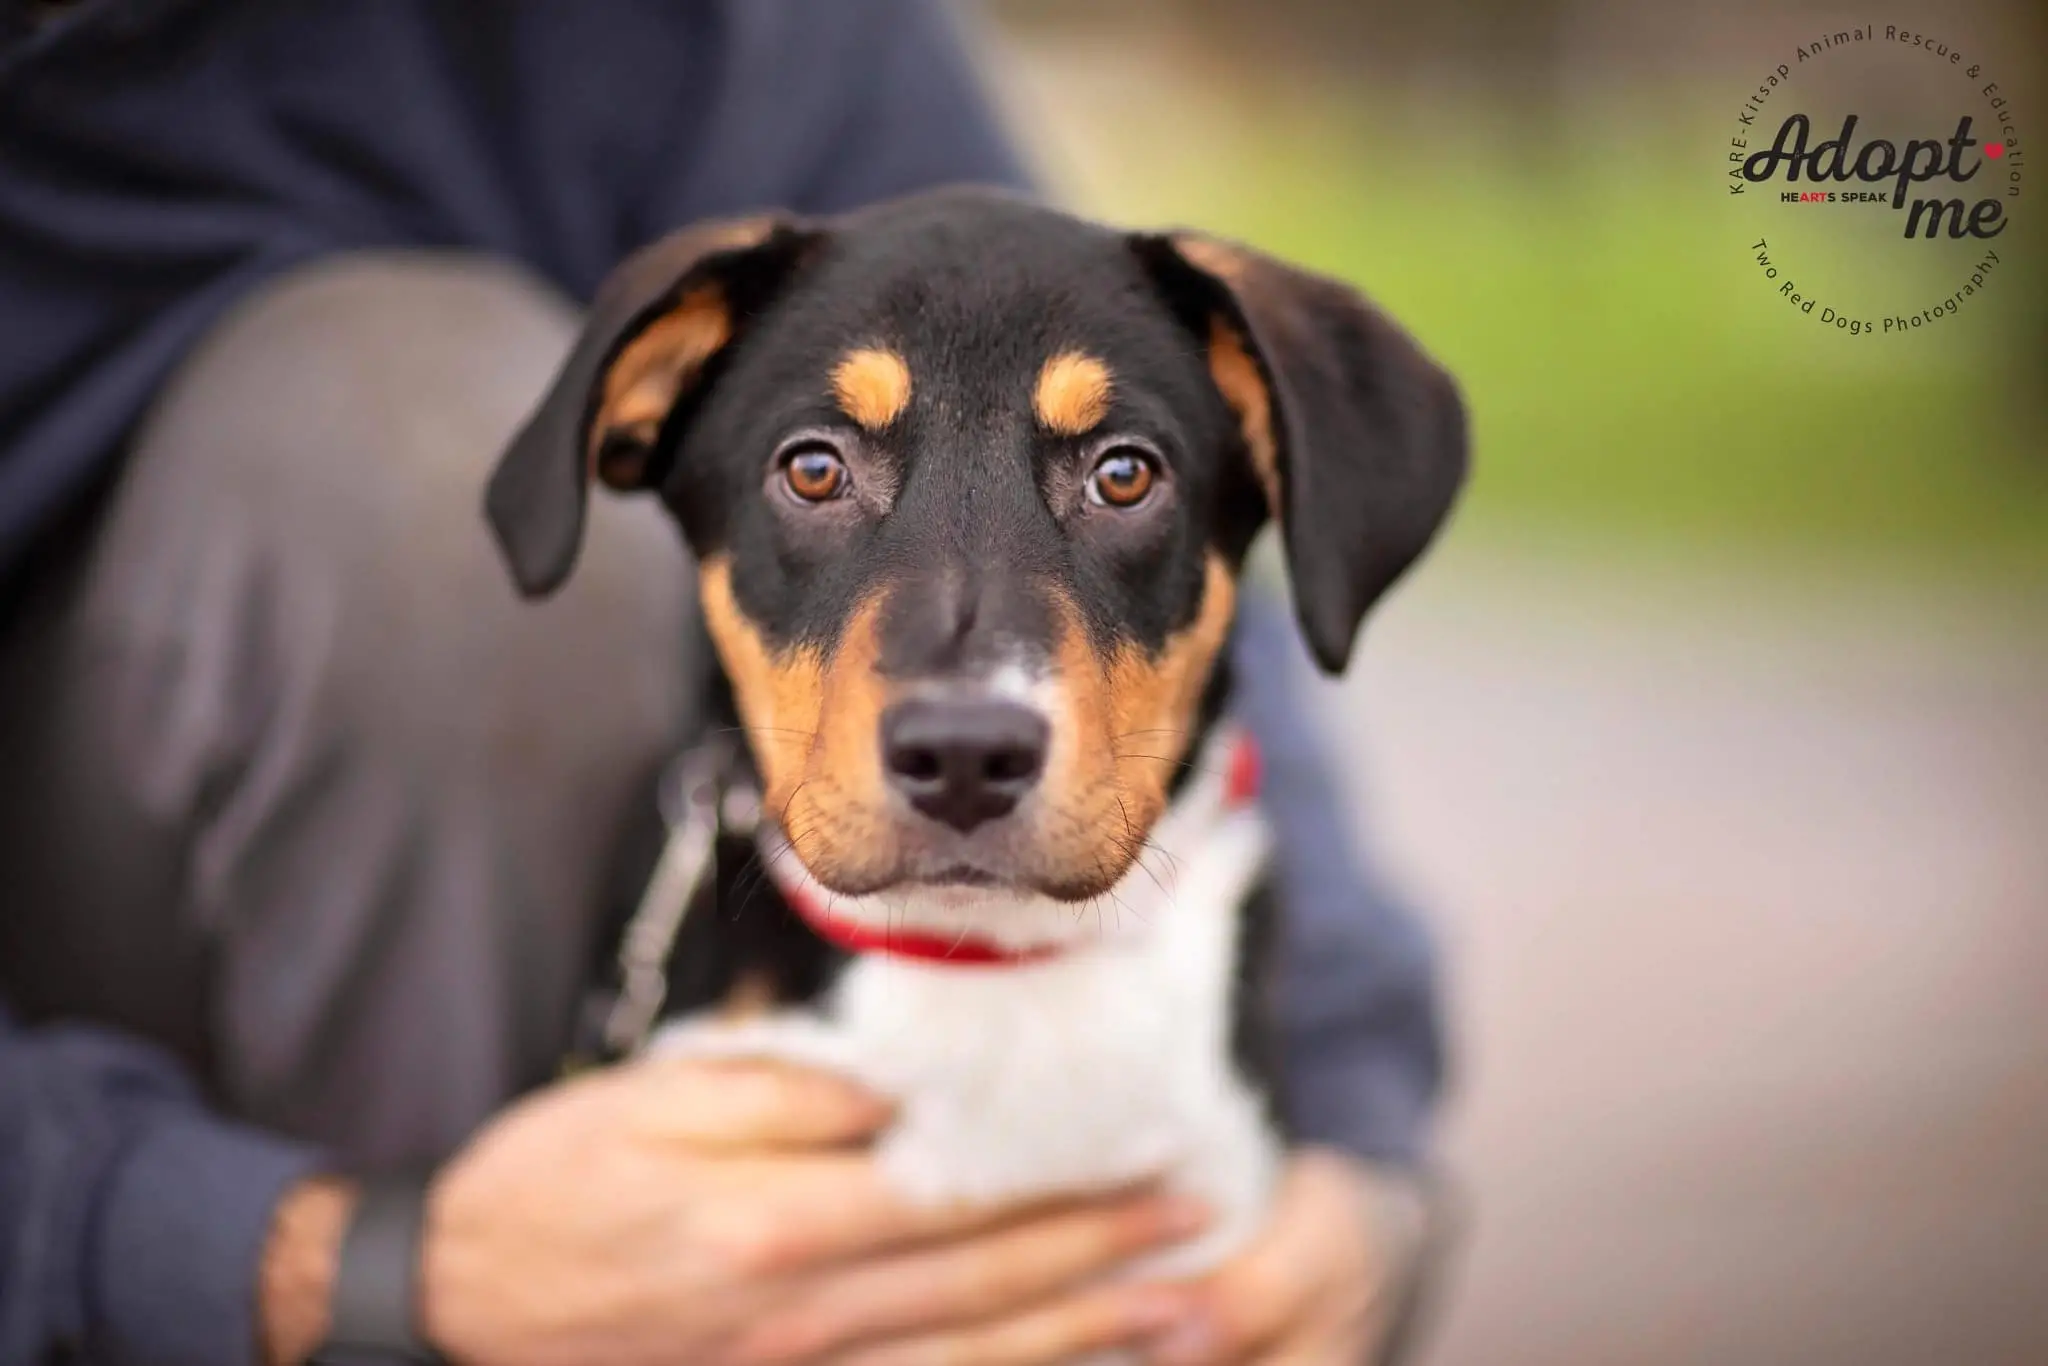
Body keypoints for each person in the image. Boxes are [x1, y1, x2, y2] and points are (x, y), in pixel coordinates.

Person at [0, 3, 1448, 1364]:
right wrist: (337, 1260)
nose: (963, 704)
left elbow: (1243, 706)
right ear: (632, 415)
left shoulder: (746, 34)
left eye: (1119, 470)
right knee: (404, 469)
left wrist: (1359, 1143)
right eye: (817, 468)